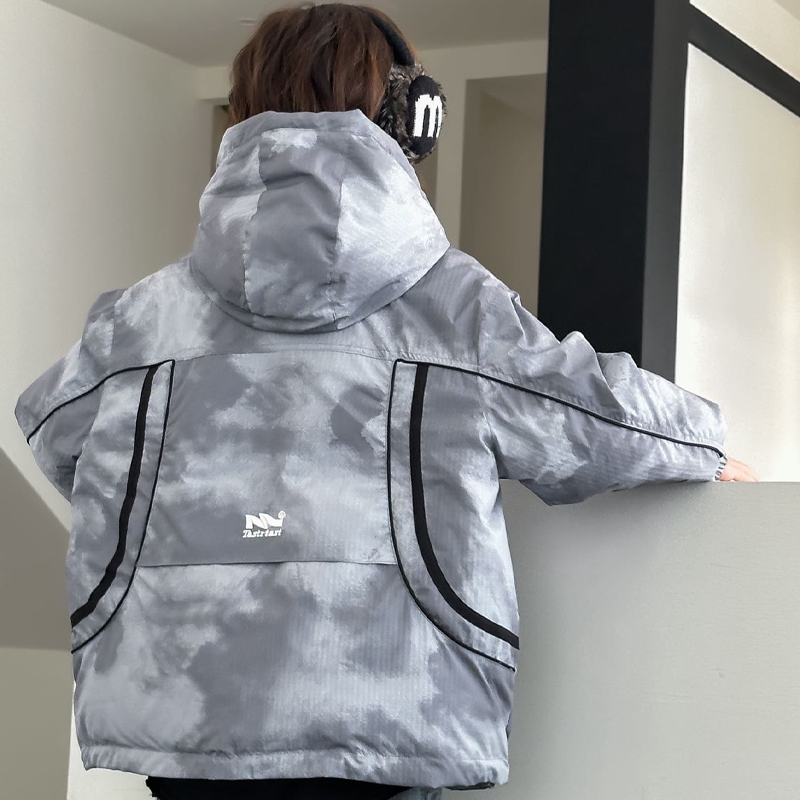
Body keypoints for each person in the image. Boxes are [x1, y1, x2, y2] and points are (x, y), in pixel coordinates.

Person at [13, 3, 759, 800]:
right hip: (386, 720)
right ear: (413, 118)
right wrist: (704, 440)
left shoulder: (141, 319)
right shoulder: (453, 309)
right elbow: (588, 412)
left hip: (179, 732)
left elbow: (53, 432)